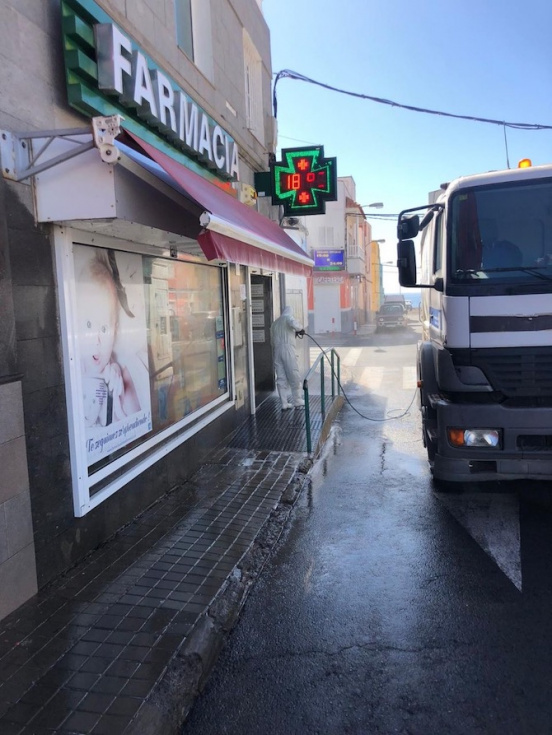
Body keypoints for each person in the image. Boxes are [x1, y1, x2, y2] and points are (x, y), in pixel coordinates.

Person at [77, 251, 141, 426]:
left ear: (115, 332)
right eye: (88, 324)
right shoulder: (75, 367)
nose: (96, 340)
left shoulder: (119, 374)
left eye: (104, 329)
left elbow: (136, 419)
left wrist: (120, 394)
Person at [270, 305, 306, 410]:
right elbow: (295, 325)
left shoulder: (275, 323)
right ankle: (297, 400)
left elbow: (272, 340)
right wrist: (301, 329)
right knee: (294, 374)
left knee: (281, 378)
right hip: (288, 350)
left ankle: (284, 403)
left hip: (277, 351)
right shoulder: (288, 318)